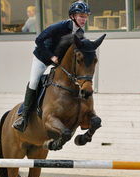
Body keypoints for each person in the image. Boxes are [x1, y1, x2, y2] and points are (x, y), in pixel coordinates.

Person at [13, 1, 90, 132]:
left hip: (58, 62)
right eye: (81, 16)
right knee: (34, 82)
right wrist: (51, 56)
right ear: (72, 16)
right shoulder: (60, 26)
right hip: (43, 57)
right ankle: (23, 116)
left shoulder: (80, 33)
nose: (84, 19)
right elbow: (39, 40)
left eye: (86, 16)